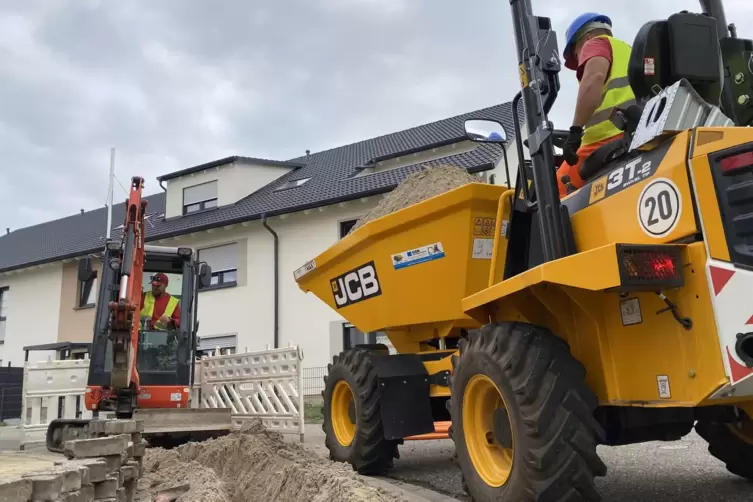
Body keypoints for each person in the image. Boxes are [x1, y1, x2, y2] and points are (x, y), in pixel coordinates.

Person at [557, 13, 636, 197]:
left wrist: (575, 131)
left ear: (586, 38)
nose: (579, 61)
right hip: (634, 132)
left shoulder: (595, 43)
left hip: (608, 138)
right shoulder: (628, 51)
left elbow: (593, 79)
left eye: (577, 54)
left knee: (554, 189)